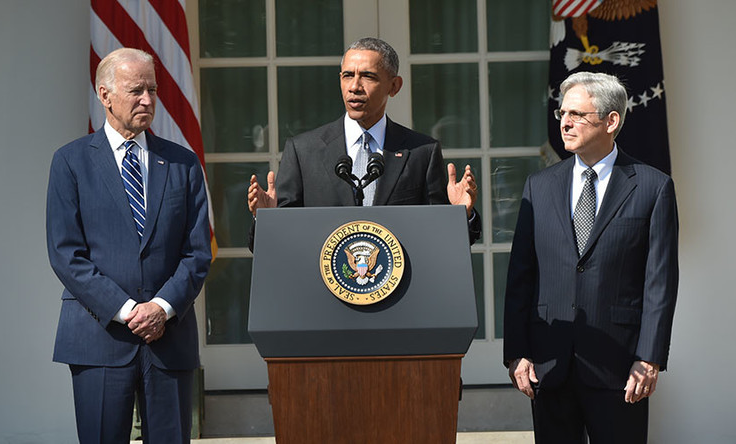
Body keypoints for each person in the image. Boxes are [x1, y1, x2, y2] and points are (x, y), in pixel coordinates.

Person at [46, 47, 212, 443]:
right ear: (105, 95)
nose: (148, 100)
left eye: (152, 90)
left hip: (168, 339)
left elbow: (197, 252)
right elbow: (66, 254)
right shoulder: (70, 162)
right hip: (98, 338)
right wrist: (127, 311)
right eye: (136, 90)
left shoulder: (183, 164)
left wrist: (161, 308)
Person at [503, 71, 679, 443]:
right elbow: (521, 275)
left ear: (611, 120)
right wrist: (516, 353)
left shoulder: (652, 186)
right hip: (548, 367)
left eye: (577, 115)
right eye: (562, 113)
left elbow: (659, 282)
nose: (565, 122)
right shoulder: (540, 185)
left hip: (619, 368)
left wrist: (649, 358)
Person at [247, 37, 481, 244]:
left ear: (394, 86)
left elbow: (442, 240)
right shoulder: (303, 150)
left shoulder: (422, 152)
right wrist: (265, 219)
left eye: (367, 76)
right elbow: (278, 245)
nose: (355, 87)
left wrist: (462, 214)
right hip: (322, 289)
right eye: (348, 75)